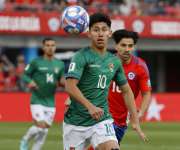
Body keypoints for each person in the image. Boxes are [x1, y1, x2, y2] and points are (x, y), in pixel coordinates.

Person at [64, 13, 147, 150]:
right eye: (96, 30)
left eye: (104, 30)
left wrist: (135, 119)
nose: (100, 34)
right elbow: (70, 86)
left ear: (110, 33)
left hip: (102, 120)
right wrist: (90, 107)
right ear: (89, 33)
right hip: (76, 122)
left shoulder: (114, 61)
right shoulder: (80, 57)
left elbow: (127, 91)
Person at [19, 38, 65, 150]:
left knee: (44, 130)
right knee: (40, 126)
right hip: (37, 99)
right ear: (43, 47)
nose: (50, 47)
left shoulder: (60, 64)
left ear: (55, 47)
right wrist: (30, 81)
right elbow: (24, 75)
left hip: (50, 101)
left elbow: (61, 81)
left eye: (52, 45)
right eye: (48, 45)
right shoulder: (36, 62)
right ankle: (25, 139)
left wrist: (65, 83)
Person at [108, 29, 152, 143]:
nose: (127, 49)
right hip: (101, 115)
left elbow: (146, 93)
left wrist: (140, 112)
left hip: (120, 121)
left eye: (130, 46)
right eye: (123, 45)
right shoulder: (106, 63)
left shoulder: (140, 66)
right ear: (116, 46)